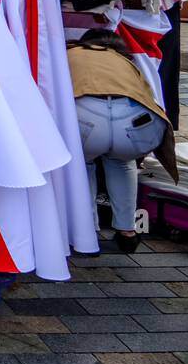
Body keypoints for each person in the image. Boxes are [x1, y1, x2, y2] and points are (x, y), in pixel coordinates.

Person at [69, 28, 173, 253]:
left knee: (82, 165)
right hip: (136, 123)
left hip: (86, 120)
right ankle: (128, 232)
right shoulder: (127, 62)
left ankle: (87, 234)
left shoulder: (71, 53)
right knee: (123, 162)